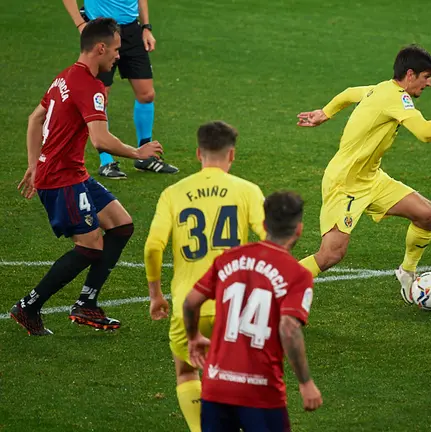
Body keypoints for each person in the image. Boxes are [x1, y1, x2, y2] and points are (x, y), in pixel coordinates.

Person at [9, 18, 163, 335]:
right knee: (90, 246)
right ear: (101, 48)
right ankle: (29, 306)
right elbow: (100, 140)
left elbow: (35, 118)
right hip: (62, 179)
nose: (118, 56)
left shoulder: (65, 76)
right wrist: (138, 152)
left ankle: (86, 304)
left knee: (121, 225)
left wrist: (34, 162)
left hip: (68, 172)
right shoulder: (90, 86)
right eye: (116, 50)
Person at [295, 45, 431, 303]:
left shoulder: (380, 88)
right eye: (427, 77)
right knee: (330, 255)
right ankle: (276, 282)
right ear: (411, 74)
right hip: (345, 183)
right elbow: (426, 133)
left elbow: (349, 93)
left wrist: (325, 113)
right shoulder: (396, 97)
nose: (430, 83)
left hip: (372, 178)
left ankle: (407, 272)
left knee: (427, 214)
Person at [143, 121, 266, 432]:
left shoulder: (173, 193)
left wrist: (156, 294)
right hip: (235, 302)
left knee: (186, 372)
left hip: (189, 305)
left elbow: (152, 248)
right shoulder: (247, 190)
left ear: (198, 153)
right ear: (232, 155)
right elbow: (271, 240)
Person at [184, 191, 322, 432]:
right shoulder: (297, 275)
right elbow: (289, 328)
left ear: (264, 225)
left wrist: (193, 336)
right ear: (299, 229)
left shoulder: (229, 258)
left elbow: (191, 302)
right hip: (260, 390)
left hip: (216, 386)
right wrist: (305, 382)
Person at [62, 0, 178, 178]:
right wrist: (80, 24)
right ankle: (106, 161)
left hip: (132, 30)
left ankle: (145, 157)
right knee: (100, 96)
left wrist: (146, 27)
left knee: (146, 94)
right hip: (101, 31)